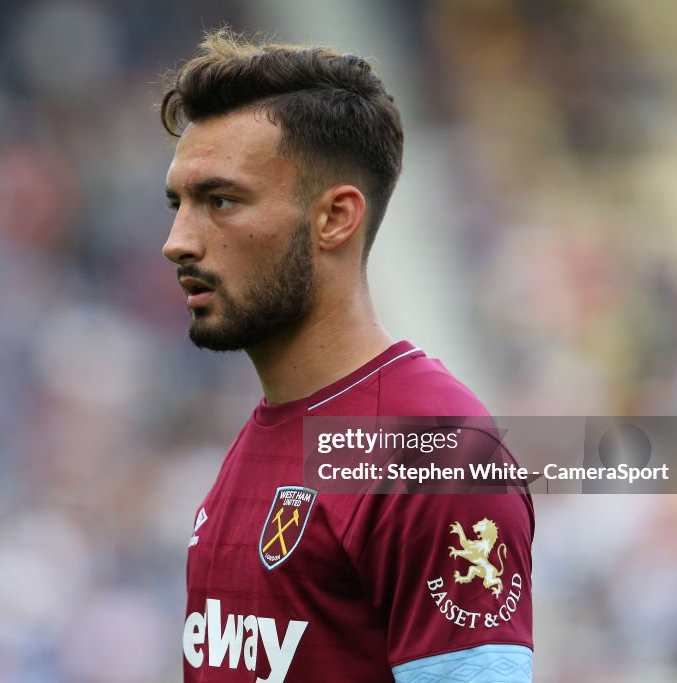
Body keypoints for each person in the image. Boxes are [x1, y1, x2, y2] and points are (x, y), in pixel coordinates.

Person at [160, 29, 533, 683]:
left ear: (335, 217)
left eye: (221, 201)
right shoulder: (270, 430)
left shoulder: (433, 449)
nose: (177, 241)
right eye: (178, 203)